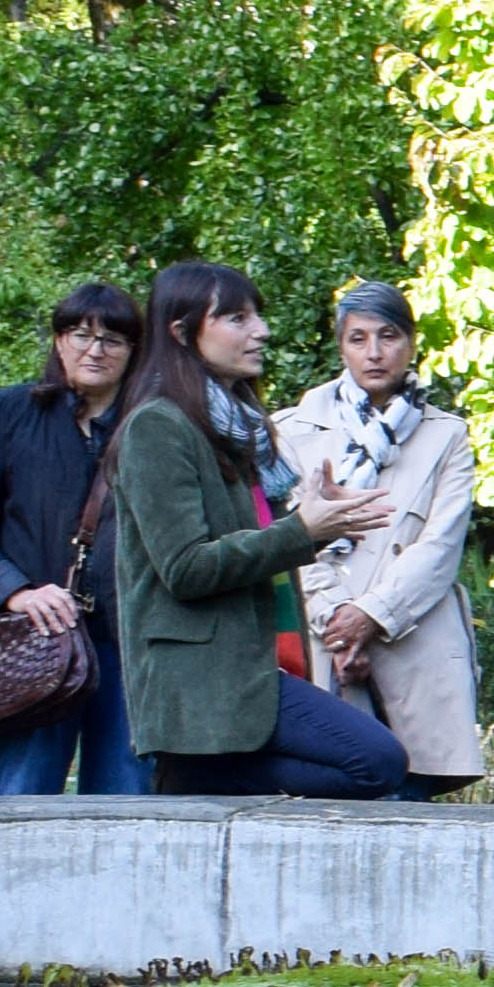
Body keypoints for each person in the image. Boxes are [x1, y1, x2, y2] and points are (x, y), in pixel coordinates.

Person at [90, 261, 408, 797]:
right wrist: (301, 533)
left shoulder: (229, 424)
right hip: (201, 684)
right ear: (182, 333)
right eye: (237, 318)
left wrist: (317, 520)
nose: (260, 330)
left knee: (375, 764)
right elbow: (186, 567)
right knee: (376, 761)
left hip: (245, 671)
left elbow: (249, 541)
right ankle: (192, 774)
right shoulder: (158, 426)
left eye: (256, 315)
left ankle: (199, 780)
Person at [276, 280, 486, 798]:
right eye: (358, 338)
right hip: (323, 635)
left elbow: (440, 547)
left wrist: (371, 617)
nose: (373, 352)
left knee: (412, 799)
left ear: (411, 343)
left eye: (388, 336)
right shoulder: (290, 429)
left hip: (412, 635)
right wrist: (340, 622)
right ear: (341, 345)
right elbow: (291, 540)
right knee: (331, 797)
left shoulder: (448, 435)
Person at [0, 282, 148, 796]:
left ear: (133, 351)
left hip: (128, 641)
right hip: (35, 636)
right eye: (81, 334)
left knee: (126, 802)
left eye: (112, 340)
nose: (94, 349)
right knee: (21, 795)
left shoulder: (151, 426)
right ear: (59, 342)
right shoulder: (13, 413)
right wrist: (16, 591)